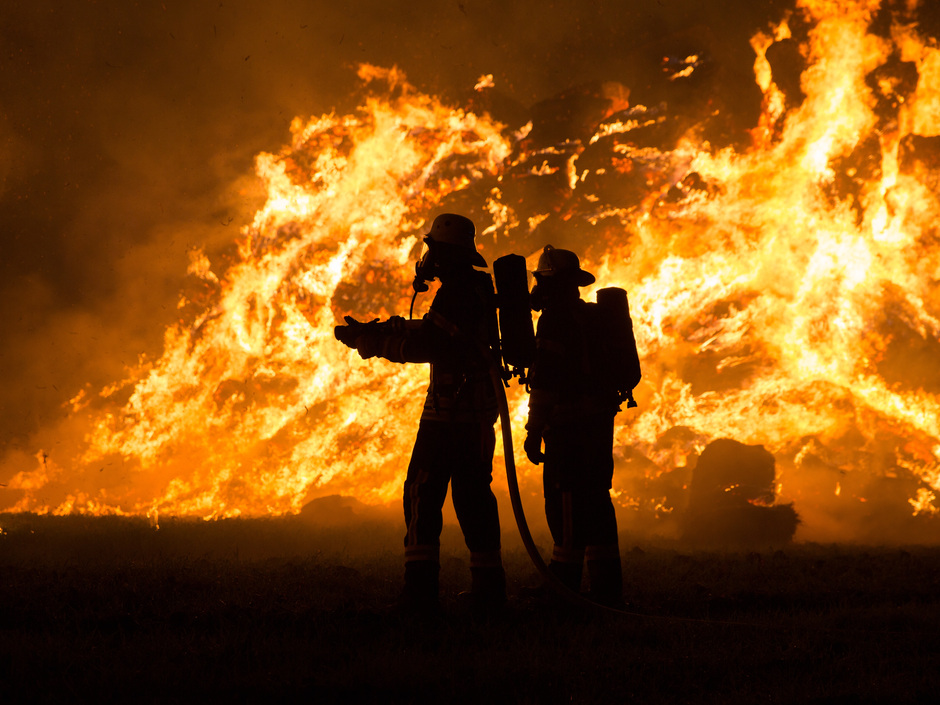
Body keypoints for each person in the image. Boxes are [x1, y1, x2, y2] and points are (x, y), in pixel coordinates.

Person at [334, 214, 506, 615]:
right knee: (473, 497)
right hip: (478, 416)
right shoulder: (475, 287)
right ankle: (489, 591)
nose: (428, 258)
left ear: (445, 253)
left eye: (433, 249)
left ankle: (419, 595)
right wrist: (382, 328)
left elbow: (429, 345)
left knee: (422, 493)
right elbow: (436, 331)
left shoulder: (456, 292)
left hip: (449, 415)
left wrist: (373, 344)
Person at [523, 245, 624, 607]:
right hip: (599, 425)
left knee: (566, 503)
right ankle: (607, 588)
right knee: (597, 501)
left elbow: (546, 383)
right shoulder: (595, 317)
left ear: (550, 283)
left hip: (569, 429)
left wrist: (534, 430)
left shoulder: (554, 320)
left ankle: (562, 588)